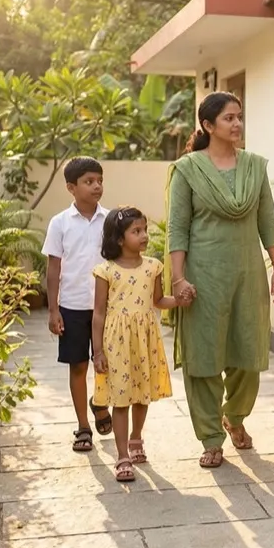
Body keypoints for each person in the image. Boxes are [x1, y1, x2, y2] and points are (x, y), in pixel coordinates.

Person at [167, 91, 274, 469]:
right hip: (203, 275)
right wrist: (178, 279)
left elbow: (267, 219)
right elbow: (178, 228)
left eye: (239, 117)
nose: (237, 124)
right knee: (204, 357)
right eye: (229, 118)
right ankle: (210, 437)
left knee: (248, 354)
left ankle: (234, 417)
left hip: (248, 273)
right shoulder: (187, 169)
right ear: (208, 125)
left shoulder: (253, 166)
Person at [91, 206, 183, 482]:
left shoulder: (153, 266)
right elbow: (98, 313)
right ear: (119, 238)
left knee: (142, 393)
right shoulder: (105, 271)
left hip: (145, 339)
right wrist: (97, 351)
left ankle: (136, 439)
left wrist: (180, 300)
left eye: (145, 230)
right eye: (136, 231)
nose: (144, 235)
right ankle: (122, 456)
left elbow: (158, 300)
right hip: (117, 341)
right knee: (121, 398)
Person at [42, 156, 115, 452]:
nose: (97, 186)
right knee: (77, 366)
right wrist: (53, 309)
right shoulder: (59, 223)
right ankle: (83, 426)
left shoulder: (111, 221)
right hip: (72, 307)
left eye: (99, 180)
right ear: (71, 187)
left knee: (105, 365)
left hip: (106, 307)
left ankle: (100, 402)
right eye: (89, 181)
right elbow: (54, 268)